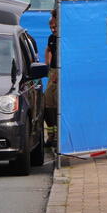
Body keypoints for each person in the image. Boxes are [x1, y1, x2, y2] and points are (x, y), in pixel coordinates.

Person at [44, 9, 58, 148]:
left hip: (61, 73)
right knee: (47, 103)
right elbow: (48, 49)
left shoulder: (63, 38)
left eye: (55, 26)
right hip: (53, 72)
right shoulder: (52, 38)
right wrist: (47, 65)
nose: (53, 29)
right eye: (51, 27)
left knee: (55, 103)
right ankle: (51, 134)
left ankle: (56, 135)